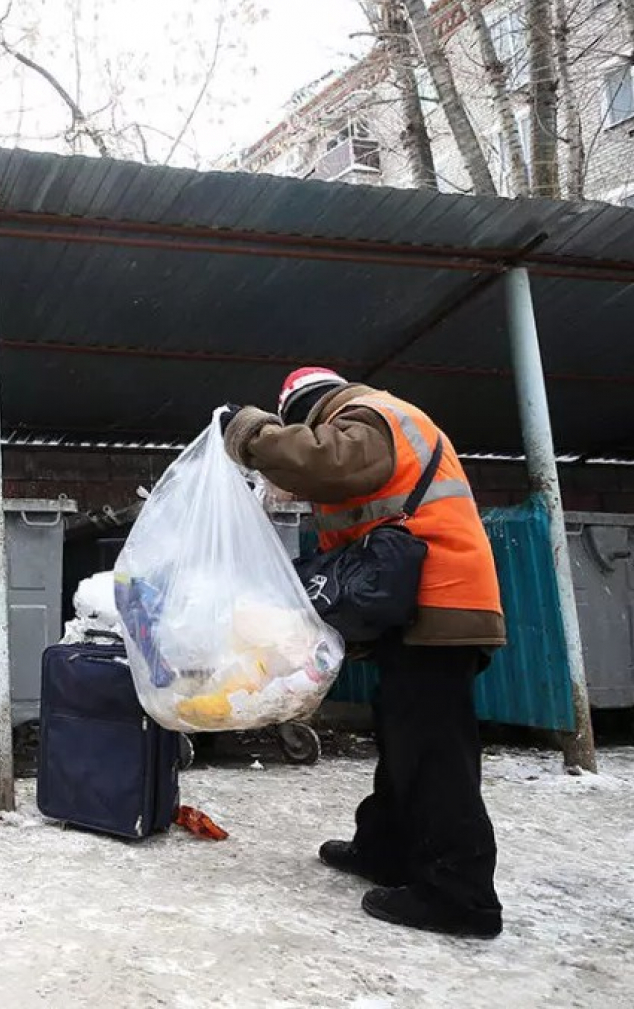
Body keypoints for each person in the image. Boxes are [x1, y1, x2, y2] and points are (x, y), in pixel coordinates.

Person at [220, 367, 505, 940]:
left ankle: (461, 896)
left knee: (434, 753)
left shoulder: (371, 416)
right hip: (423, 609)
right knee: (405, 736)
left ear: (309, 411)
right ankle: (386, 849)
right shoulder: (372, 422)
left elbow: (328, 461)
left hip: (440, 605)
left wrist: (252, 434)